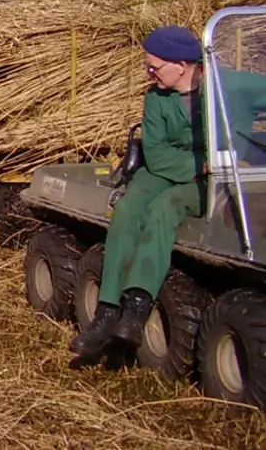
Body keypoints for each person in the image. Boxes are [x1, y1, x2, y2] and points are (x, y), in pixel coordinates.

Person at [71, 25, 266, 358]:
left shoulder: (231, 86)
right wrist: (200, 163)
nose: (150, 73)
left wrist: (245, 155)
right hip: (168, 169)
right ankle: (106, 311)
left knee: (166, 207)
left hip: (218, 177)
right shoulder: (156, 97)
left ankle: (136, 308)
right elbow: (158, 155)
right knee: (129, 206)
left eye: (154, 66)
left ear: (182, 65)